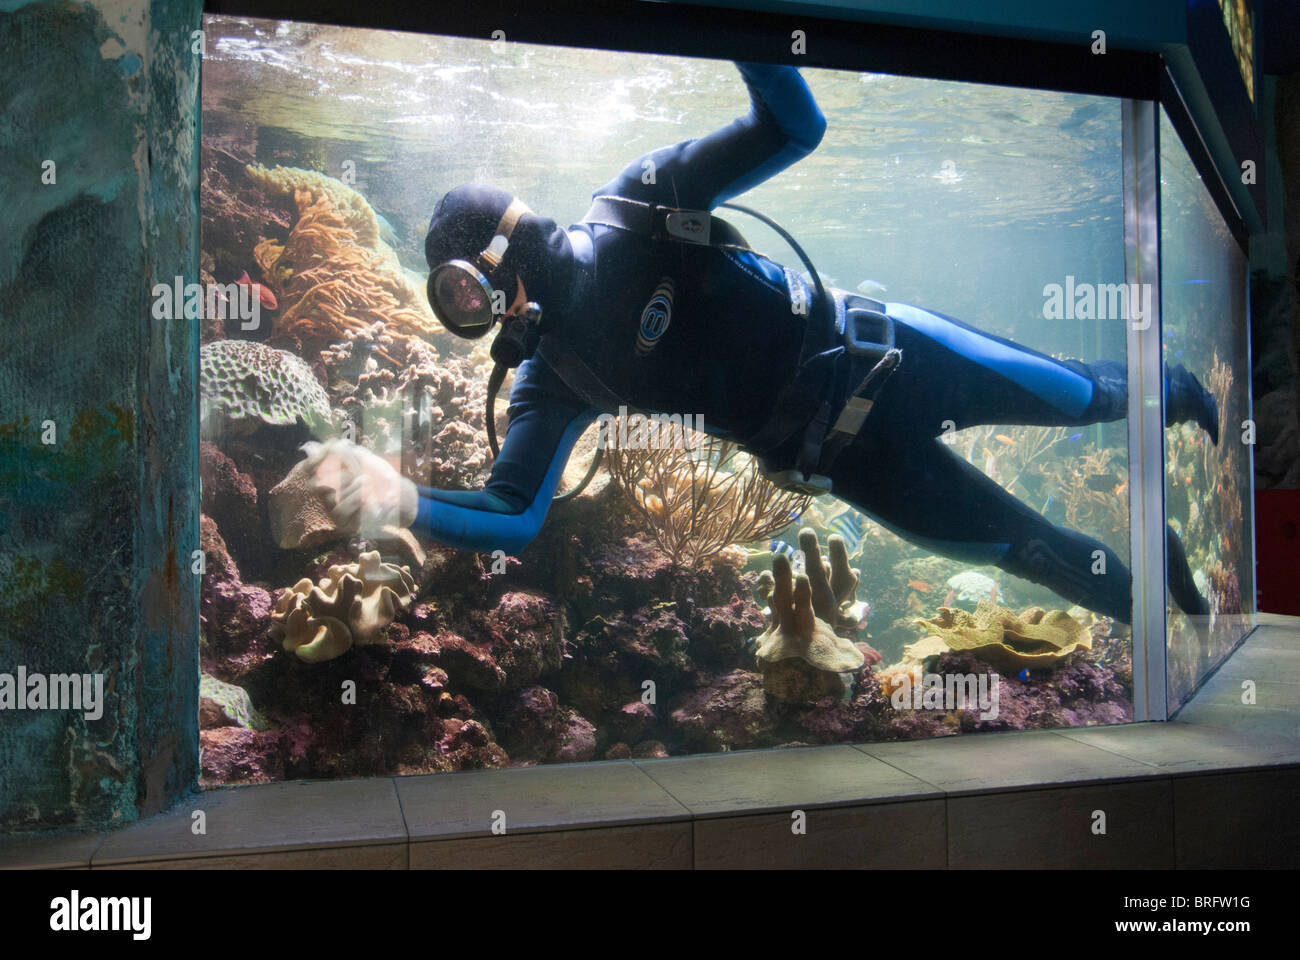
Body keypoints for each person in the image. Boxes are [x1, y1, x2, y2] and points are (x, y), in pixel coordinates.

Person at [322, 61, 1219, 624]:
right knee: (1031, 553)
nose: (476, 319)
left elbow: (796, 127)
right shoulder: (557, 378)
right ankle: (1152, 577)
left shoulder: (637, 205)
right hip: (845, 460)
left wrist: (750, 30)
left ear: (503, 251)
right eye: (455, 307)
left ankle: (1180, 392)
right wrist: (404, 498)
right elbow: (515, 517)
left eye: (467, 291)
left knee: (1082, 397)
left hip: (890, 354)